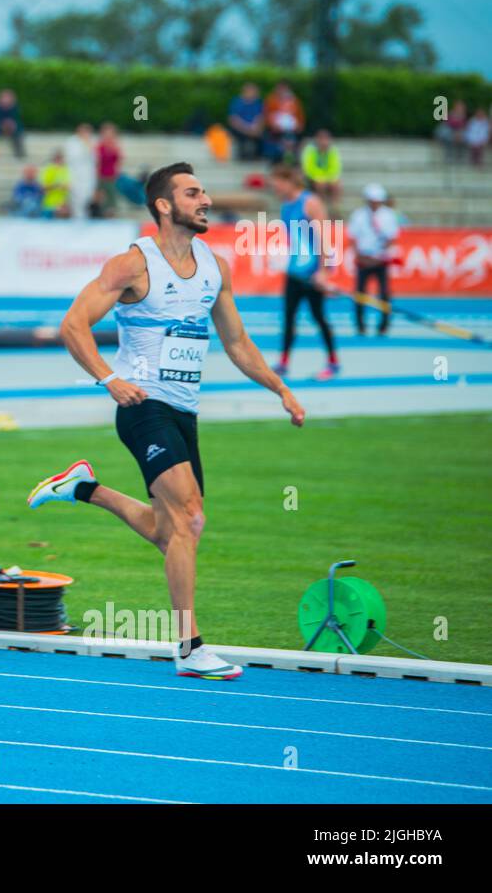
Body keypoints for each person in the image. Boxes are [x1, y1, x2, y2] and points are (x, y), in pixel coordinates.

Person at [29, 161, 306, 680]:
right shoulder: (132, 265)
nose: (205, 200)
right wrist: (108, 378)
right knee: (191, 519)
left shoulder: (215, 266)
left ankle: (85, 489)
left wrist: (281, 388)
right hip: (142, 406)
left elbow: (238, 343)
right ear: (164, 204)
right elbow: (73, 326)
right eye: (192, 193)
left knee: (169, 531)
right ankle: (189, 647)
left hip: (184, 411)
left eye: (204, 192)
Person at [269, 164, 338, 380]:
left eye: (278, 184)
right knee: (289, 317)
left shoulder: (310, 202)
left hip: (312, 273)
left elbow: (323, 237)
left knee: (319, 317)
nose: (275, 188)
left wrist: (324, 272)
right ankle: (283, 362)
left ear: (290, 182)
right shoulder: (285, 205)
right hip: (294, 272)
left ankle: (333, 362)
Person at [347, 184, 400, 336]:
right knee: (360, 294)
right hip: (364, 259)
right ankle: (360, 326)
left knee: (384, 294)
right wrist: (358, 255)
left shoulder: (388, 215)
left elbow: (392, 238)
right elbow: (353, 237)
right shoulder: (358, 215)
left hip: (381, 260)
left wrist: (381, 254)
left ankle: (383, 326)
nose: (374, 203)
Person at [300, 129, 342, 209]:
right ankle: (321, 206)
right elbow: (309, 168)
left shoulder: (332, 151)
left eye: (326, 139)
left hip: (326, 177)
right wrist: (320, 176)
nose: (324, 142)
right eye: (322, 139)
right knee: (320, 184)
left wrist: (326, 177)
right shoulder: (310, 150)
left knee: (336, 184)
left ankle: (335, 207)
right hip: (313, 177)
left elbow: (335, 168)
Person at [264, 80, 304, 163]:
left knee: (294, 136)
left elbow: (299, 115)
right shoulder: (271, 100)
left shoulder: (294, 100)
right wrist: (273, 125)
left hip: (292, 128)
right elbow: (267, 115)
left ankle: (292, 157)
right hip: (276, 129)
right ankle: (278, 157)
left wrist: (299, 125)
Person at [64, 123, 97, 219]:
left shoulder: (92, 141)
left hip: (88, 175)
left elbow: (94, 159)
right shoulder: (71, 142)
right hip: (75, 174)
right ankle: (76, 219)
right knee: (76, 200)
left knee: (87, 199)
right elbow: (72, 158)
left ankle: (84, 219)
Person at [226, 82, 265, 162]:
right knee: (242, 136)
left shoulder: (257, 103)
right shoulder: (237, 102)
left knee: (263, 135)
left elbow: (260, 117)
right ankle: (243, 156)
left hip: (254, 129)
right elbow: (233, 119)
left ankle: (258, 156)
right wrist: (247, 129)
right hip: (240, 128)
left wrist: (256, 127)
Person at [95, 122, 122, 217]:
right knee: (101, 199)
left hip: (111, 176)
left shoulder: (115, 147)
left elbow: (118, 161)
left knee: (111, 200)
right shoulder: (100, 147)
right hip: (101, 176)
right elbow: (97, 162)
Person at [0, 88, 24, 159]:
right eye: (4, 97)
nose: (6, 99)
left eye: (8, 97)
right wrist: (2, 124)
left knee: (18, 129)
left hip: (10, 125)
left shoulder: (15, 107)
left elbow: (16, 118)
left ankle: (19, 153)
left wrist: (11, 123)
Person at [39, 150, 71, 219]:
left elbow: (68, 186)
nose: (60, 161)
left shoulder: (65, 170)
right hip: (49, 204)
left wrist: (62, 186)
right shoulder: (49, 170)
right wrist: (56, 186)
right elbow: (43, 187)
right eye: (58, 159)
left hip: (61, 204)